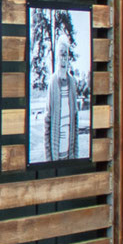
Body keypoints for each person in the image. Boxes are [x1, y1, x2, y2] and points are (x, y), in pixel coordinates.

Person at [43, 27, 78, 161]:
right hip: (56, 157)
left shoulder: (72, 83)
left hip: (70, 157)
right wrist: (48, 159)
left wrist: (76, 156)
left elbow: (75, 120)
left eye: (66, 55)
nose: (63, 59)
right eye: (61, 55)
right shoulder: (52, 83)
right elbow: (47, 122)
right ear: (57, 57)